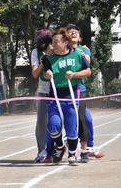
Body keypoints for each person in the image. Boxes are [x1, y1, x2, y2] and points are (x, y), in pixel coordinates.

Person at [42, 27, 91, 165]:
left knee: (71, 128)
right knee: (53, 125)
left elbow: (88, 71)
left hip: (71, 95)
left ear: (65, 42)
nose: (53, 45)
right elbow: (45, 74)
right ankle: (60, 146)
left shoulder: (77, 55)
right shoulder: (49, 59)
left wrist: (74, 75)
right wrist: (47, 74)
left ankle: (71, 154)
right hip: (55, 96)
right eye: (53, 42)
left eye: (56, 41)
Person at [67, 24, 104, 161]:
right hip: (64, 91)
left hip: (79, 90)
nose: (74, 33)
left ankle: (86, 148)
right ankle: (60, 148)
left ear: (80, 37)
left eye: (76, 32)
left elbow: (88, 62)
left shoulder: (83, 49)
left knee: (85, 119)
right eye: (71, 32)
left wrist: (79, 52)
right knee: (69, 120)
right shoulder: (64, 51)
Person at [31, 32, 54, 163]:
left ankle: (56, 148)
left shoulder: (57, 48)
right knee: (41, 122)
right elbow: (34, 74)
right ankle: (42, 150)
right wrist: (42, 61)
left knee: (55, 121)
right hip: (43, 90)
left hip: (59, 89)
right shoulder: (36, 52)